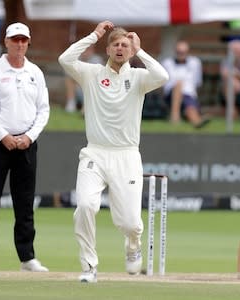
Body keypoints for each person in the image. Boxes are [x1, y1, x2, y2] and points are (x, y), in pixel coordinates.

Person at [58, 20, 168, 283]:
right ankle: (89, 267)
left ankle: (133, 245)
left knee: (130, 223)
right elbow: (65, 58)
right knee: (85, 205)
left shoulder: (139, 78)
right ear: (108, 49)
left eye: (125, 46)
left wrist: (140, 50)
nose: (120, 48)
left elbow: (163, 76)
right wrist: (94, 35)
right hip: (95, 153)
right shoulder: (92, 74)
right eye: (116, 44)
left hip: (127, 155)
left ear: (130, 51)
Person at [0, 22, 50, 272]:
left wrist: (30, 136)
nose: (19, 44)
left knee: (25, 203)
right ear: (6, 42)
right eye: (14, 40)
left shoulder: (35, 72)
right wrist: (2, 135)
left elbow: (43, 109)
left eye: (23, 40)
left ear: (28, 42)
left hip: (26, 143)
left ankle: (27, 257)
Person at [161, 40, 209, 128]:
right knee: (178, 85)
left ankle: (197, 122)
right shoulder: (167, 63)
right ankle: (175, 116)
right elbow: (164, 83)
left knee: (190, 107)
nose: (181, 54)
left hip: (188, 94)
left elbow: (197, 83)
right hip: (171, 95)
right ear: (175, 52)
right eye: (179, 52)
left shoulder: (195, 62)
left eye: (183, 52)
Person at [63, 44, 103, 112]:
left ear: (92, 50)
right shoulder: (74, 59)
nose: (86, 51)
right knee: (69, 80)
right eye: (84, 49)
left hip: (92, 92)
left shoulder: (97, 60)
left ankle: (86, 108)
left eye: (88, 49)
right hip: (78, 88)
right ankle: (71, 103)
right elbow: (70, 75)